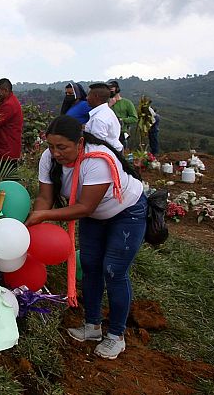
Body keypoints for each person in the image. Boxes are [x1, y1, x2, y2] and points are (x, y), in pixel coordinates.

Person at [26, 115, 145, 360]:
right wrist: (39, 213)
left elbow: (85, 207)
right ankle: (92, 325)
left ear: (79, 143)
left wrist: (44, 215)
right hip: (94, 215)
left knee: (113, 270)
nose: (55, 153)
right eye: (51, 146)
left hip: (126, 213)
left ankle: (116, 335)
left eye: (62, 147)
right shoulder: (49, 159)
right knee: (90, 265)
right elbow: (45, 197)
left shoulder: (98, 160)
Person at [83, 83, 123, 152]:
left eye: (88, 95)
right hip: (114, 151)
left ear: (96, 96)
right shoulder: (107, 112)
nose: (86, 98)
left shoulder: (99, 119)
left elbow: (97, 146)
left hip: (107, 154)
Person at [108, 81, 137, 151]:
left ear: (117, 89)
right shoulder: (106, 103)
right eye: (109, 88)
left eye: (112, 87)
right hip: (108, 134)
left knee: (121, 155)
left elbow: (134, 118)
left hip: (121, 132)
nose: (110, 89)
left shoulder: (127, 103)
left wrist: (122, 120)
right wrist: (109, 105)